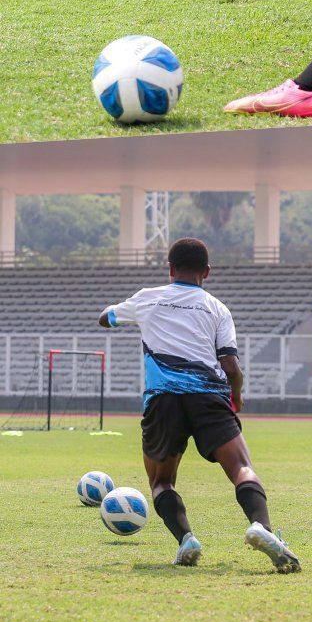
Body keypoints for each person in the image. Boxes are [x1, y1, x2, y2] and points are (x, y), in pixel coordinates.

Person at [99, 237, 299, 573]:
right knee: (241, 468)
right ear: (207, 272)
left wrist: (116, 315)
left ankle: (186, 540)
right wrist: (235, 397)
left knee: (162, 481)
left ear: (170, 269)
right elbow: (232, 367)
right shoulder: (217, 308)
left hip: (162, 401)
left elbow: (105, 317)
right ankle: (260, 527)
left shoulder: (148, 298)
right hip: (209, 397)